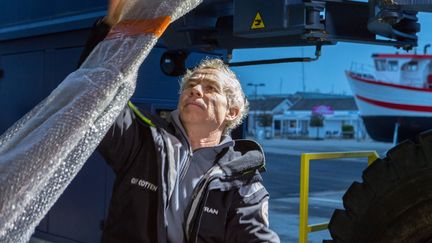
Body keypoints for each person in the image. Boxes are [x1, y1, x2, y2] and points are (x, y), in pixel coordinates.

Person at [79, 1, 280, 242]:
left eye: (210, 88)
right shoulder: (144, 140)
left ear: (232, 113)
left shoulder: (242, 181)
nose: (196, 91)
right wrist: (110, 31)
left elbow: (256, 237)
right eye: (191, 85)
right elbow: (96, 97)